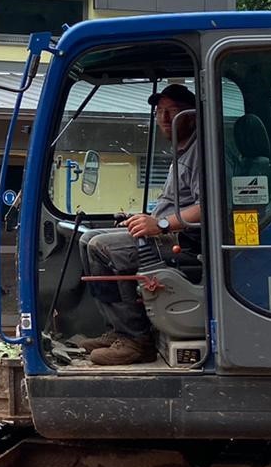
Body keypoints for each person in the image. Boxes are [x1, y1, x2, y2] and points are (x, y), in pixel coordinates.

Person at [79, 83, 203, 366]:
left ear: (191, 116)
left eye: (172, 112)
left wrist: (158, 224)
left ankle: (137, 340)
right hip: (167, 231)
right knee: (88, 239)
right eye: (160, 111)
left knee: (103, 248)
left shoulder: (201, 153)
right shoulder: (180, 152)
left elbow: (206, 207)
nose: (164, 119)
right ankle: (117, 330)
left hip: (184, 242)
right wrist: (139, 218)